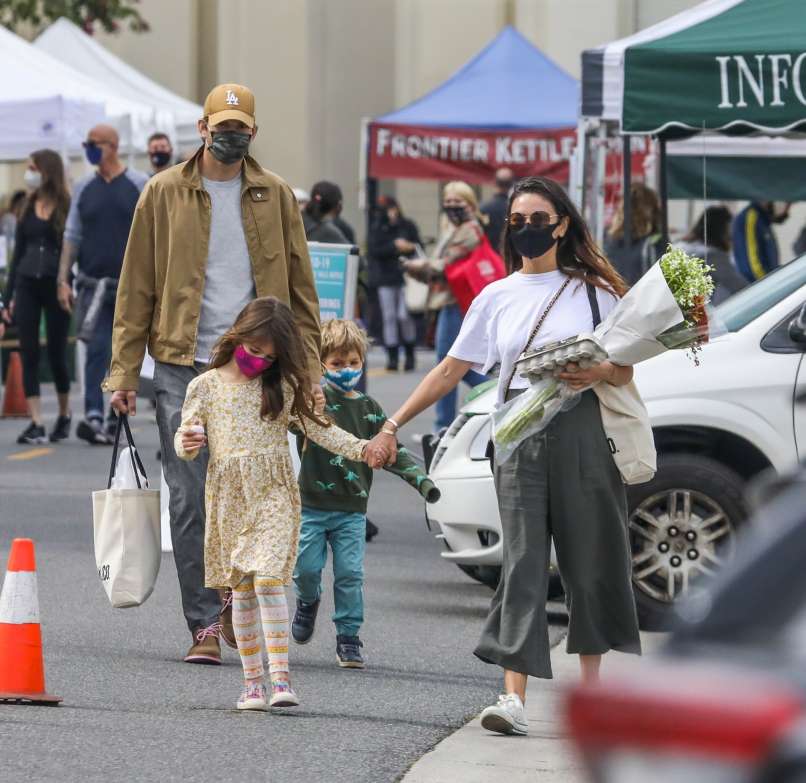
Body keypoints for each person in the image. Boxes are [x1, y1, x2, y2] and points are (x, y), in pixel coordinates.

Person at [365, 176, 641, 737]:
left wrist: (600, 371)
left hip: (583, 427)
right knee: (522, 562)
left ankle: (592, 700)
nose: (526, 229)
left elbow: (627, 367)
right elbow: (450, 370)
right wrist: (392, 423)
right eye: (517, 220)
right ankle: (512, 698)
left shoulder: (598, 291)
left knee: (590, 560)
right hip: (517, 433)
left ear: (562, 224)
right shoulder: (496, 295)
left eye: (538, 218)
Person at [106, 83, 323, 666]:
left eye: (241, 127)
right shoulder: (162, 193)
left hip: (255, 365)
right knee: (188, 491)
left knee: (253, 487)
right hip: (181, 362)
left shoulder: (274, 195)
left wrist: (311, 371)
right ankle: (205, 621)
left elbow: (301, 290)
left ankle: (238, 598)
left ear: (253, 132)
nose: (231, 135)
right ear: (201, 129)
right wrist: (124, 371)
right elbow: (136, 288)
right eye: (221, 125)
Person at [175, 298, 373, 710]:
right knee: (243, 589)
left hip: (274, 492)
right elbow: (186, 439)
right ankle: (252, 685)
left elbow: (322, 431)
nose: (260, 361)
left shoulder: (282, 386)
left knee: (267, 579)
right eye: (254, 351)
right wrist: (188, 443)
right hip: (230, 499)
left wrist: (363, 448)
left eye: (271, 357)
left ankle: (281, 678)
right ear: (237, 337)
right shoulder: (205, 386)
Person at [290, 319, 439, 667]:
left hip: (352, 511)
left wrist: (421, 481)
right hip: (310, 506)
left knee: (350, 575)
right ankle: (307, 601)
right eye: (337, 364)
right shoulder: (312, 403)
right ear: (321, 364)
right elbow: (281, 419)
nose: (346, 370)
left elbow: (392, 451)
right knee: (305, 569)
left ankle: (348, 637)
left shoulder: (370, 408)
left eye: (353, 362)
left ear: (363, 362)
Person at [57, 124, 148, 446]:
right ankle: (94, 414)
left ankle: (114, 416)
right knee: (95, 348)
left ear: (112, 145)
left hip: (130, 287)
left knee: (120, 352)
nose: (89, 149)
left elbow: (153, 233)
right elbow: (72, 235)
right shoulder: (84, 188)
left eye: (93, 144)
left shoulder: (139, 184)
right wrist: (62, 280)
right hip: (92, 287)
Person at [403, 181, 487, 432]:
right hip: (449, 300)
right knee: (452, 365)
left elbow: (445, 263)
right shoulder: (453, 228)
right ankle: (446, 425)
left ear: (470, 203)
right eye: (448, 201)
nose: (451, 206)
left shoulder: (470, 229)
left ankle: (444, 426)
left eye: (457, 201)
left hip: (458, 301)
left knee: (448, 366)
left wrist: (419, 266)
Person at [2, 150, 72, 444]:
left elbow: (73, 247)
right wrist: (6, 298)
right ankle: (36, 421)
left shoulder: (67, 205)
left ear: (47, 170)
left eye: (33, 167)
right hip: (28, 282)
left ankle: (64, 413)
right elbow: (18, 254)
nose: (29, 172)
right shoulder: (28, 204)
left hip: (56, 284)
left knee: (56, 353)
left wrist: (69, 283)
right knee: (28, 350)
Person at [367, 196, 421, 371]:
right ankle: (392, 356)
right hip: (385, 276)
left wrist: (409, 247)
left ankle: (410, 353)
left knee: (404, 315)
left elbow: (418, 245)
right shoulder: (378, 228)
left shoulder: (407, 225)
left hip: (407, 276)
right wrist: (394, 246)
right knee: (389, 316)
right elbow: (374, 250)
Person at [679, 206, 747, 305]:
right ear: (721, 230)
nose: (732, 234)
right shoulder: (712, 256)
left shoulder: (682, 247)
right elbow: (738, 286)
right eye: (730, 229)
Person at [603, 183, 664, 286]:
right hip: (645, 299)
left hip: (615, 297)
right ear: (652, 209)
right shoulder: (657, 241)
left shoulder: (607, 237)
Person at [732, 201, 790, 283]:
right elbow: (754, 266)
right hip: (760, 288)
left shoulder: (762, 220)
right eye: (787, 203)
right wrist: (774, 283)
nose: (787, 209)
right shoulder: (751, 218)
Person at [480, 167, 514, 254]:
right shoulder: (514, 207)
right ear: (511, 184)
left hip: (490, 257)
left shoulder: (484, 208)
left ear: (495, 183)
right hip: (510, 256)